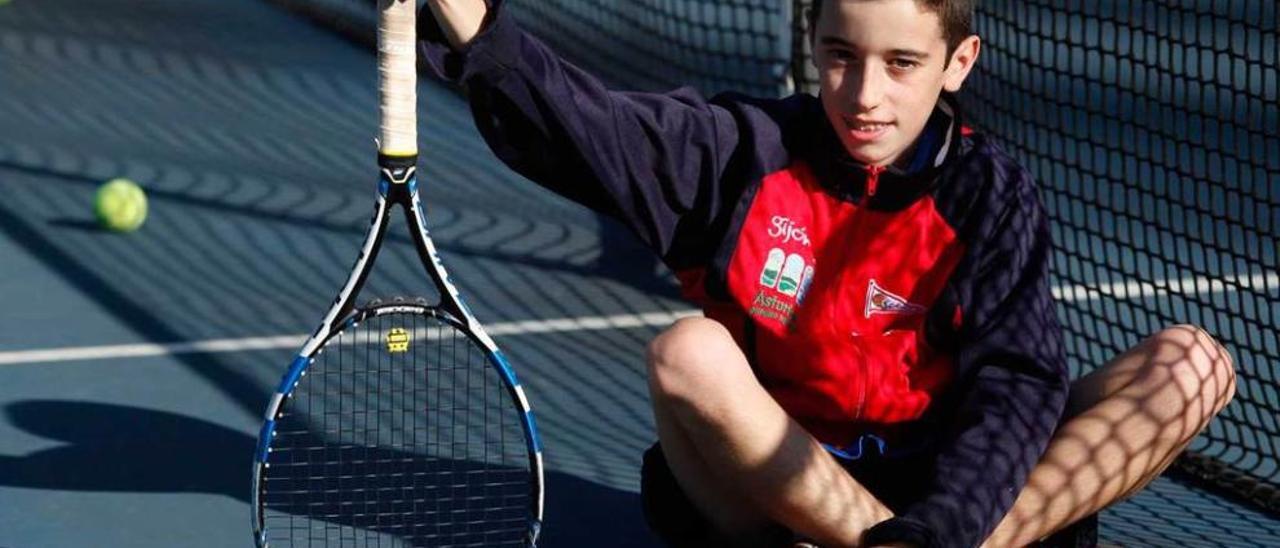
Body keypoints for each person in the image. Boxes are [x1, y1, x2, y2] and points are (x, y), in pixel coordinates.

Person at [417, 1, 1238, 546]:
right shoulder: (743, 151)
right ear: (813, 43)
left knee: (1195, 363)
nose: (864, 95)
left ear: (959, 62)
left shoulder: (988, 192)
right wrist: (475, 27)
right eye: (841, 56)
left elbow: (1017, 384)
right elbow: (578, 124)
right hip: (774, 487)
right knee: (686, 354)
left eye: (903, 63)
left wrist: (944, 527)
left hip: (949, 493)